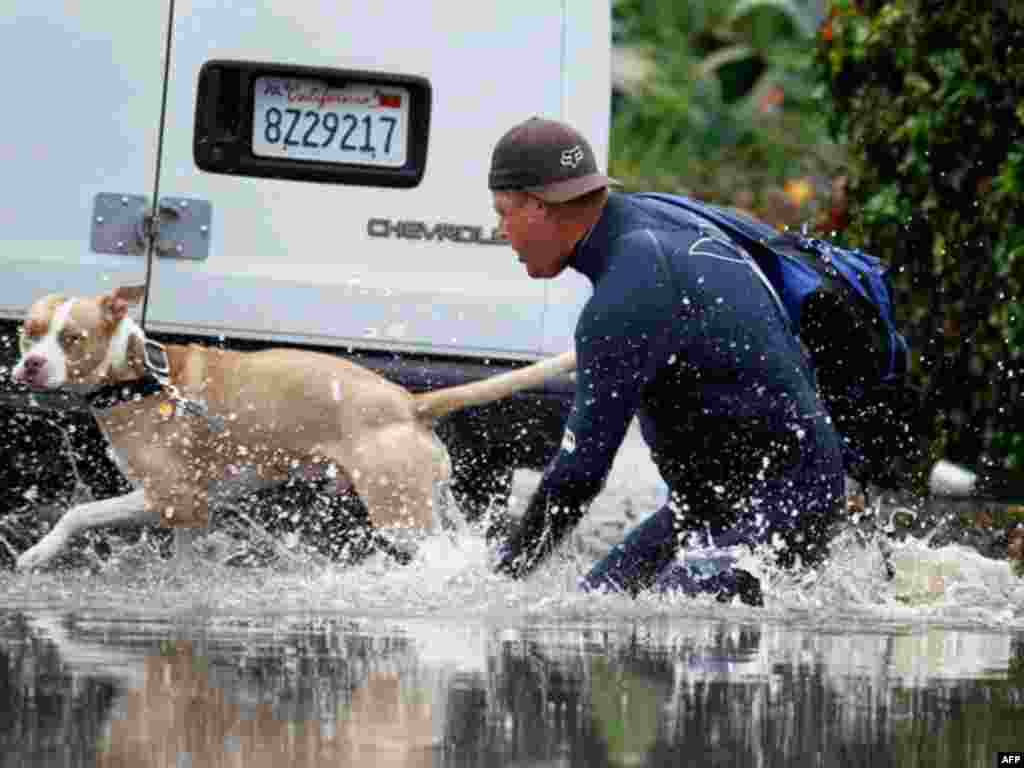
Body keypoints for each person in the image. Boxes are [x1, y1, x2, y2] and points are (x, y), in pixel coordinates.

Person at [487, 117, 846, 606]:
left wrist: (500, 584)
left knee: (658, 636)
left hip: (781, 500)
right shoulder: (660, 222)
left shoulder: (626, 293)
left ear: (537, 205)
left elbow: (579, 474)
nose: (501, 231)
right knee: (597, 606)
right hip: (712, 501)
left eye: (504, 213)